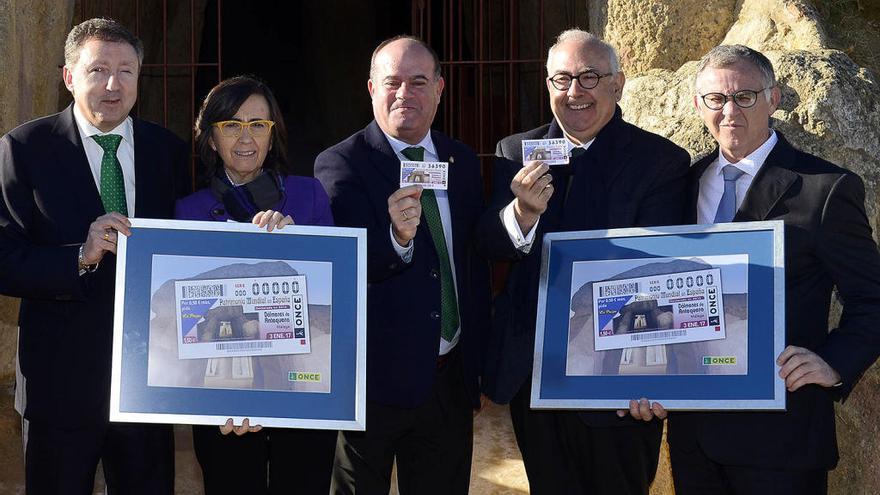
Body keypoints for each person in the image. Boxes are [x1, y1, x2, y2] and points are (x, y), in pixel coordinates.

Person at [627, 44, 880, 495]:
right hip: (693, 439)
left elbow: (872, 298)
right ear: (698, 104)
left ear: (773, 98)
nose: (729, 110)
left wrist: (832, 363)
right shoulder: (678, 186)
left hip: (782, 440)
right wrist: (645, 376)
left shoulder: (825, 189)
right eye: (716, 99)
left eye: (745, 96)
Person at [475, 29, 690, 494]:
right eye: (562, 79)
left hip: (622, 376)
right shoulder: (515, 152)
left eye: (590, 76)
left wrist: (659, 370)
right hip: (535, 372)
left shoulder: (661, 161)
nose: (575, 92)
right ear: (547, 86)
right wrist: (522, 213)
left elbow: (665, 270)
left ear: (618, 83)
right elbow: (489, 243)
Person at [0, 17, 189, 493]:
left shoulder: (167, 152)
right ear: (69, 77)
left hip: (148, 382)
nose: (113, 84)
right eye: (98, 70)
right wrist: (79, 258)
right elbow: (4, 258)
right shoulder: (24, 150)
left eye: (126, 71)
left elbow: (194, 249)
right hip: (59, 385)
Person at [314, 35, 491, 494]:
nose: (404, 93)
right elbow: (350, 263)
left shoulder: (463, 160)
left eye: (418, 82)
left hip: (449, 379)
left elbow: (473, 258)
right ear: (371, 88)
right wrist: (397, 237)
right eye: (392, 82)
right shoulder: (340, 164)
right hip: (374, 384)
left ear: (439, 89)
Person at [174, 75, 337, 495]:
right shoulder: (188, 212)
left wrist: (301, 249)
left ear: (273, 133)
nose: (245, 137)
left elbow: (332, 295)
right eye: (231, 125)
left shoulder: (309, 196)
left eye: (257, 124)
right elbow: (185, 317)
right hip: (225, 397)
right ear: (211, 139)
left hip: (302, 393)